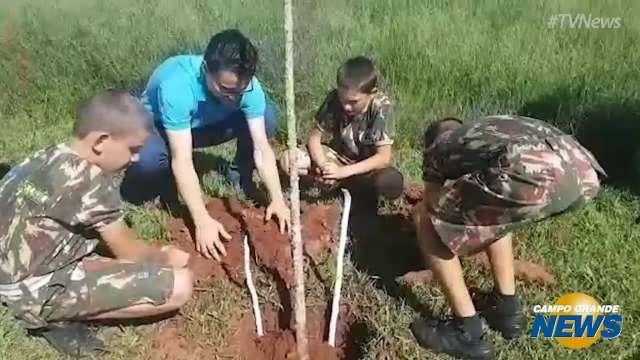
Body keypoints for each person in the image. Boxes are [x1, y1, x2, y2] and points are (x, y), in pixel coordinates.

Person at [0, 90, 193, 356]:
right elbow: (131, 254)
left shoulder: (46, 155)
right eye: (133, 149)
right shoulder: (93, 184)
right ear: (101, 141)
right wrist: (164, 256)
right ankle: (51, 317)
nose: (136, 158)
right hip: (29, 292)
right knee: (179, 285)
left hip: (9, 268)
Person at [410, 115, 607, 359]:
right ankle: (507, 309)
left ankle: (466, 331)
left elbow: (432, 201)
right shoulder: (488, 132)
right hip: (584, 172)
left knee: (426, 219)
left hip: (532, 172)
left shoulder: (439, 148)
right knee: (493, 210)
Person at [120, 29, 291, 261]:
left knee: (267, 117)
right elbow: (183, 159)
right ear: (205, 70)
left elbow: (262, 147)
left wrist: (277, 199)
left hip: (204, 126)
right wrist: (202, 220)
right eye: (226, 89)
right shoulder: (177, 86)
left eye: (240, 90)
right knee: (150, 162)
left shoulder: (248, 88)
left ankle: (239, 174)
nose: (234, 97)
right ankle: (164, 182)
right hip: (159, 128)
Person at [281, 56, 403, 205]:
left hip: (367, 168)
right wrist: (324, 166)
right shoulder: (333, 99)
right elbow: (314, 138)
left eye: (354, 102)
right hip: (339, 158)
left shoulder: (381, 107)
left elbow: (383, 158)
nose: (346, 106)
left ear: (372, 93)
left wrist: (343, 172)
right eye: (343, 99)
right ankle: (331, 183)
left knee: (391, 181)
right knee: (290, 159)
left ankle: (359, 193)